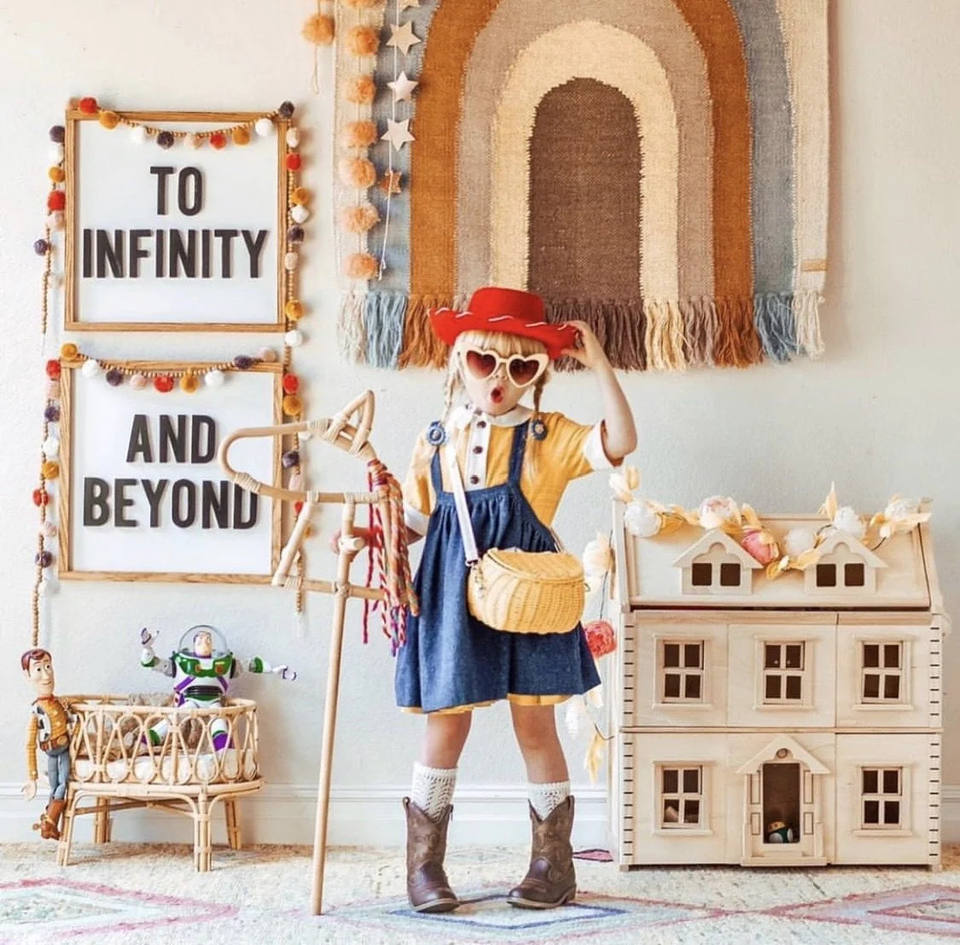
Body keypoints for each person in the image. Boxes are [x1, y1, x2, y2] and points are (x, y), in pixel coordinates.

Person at [390, 287, 636, 912]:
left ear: (539, 374)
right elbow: (414, 523)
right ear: (460, 361)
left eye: (521, 367)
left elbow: (621, 441)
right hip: (451, 592)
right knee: (446, 723)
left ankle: (553, 866)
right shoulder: (436, 439)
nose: (499, 379)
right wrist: (369, 538)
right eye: (484, 361)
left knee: (535, 723)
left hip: (530, 595)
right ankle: (424, 868)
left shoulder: (548, 436)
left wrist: (599, 362)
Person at [21, 648, 74, 840]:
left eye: (48, 667)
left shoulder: (59, 702)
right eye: (38, 669)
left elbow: (72, 713)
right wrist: (32, 777)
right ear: (28, 675)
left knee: (62, 783)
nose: (46, 675)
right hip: (51, 751)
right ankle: (50, 824)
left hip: (64, 750)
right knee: (56, 786)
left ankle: (48, 823)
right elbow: (30, 745)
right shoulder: (36, 710)